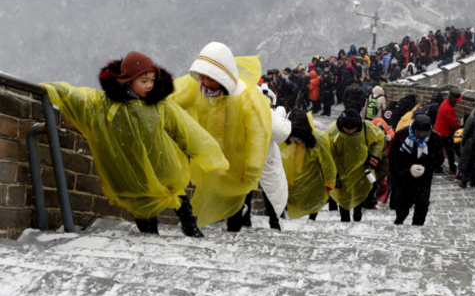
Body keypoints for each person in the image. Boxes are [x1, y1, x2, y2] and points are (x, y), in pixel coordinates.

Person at [41, 51, 229, 237]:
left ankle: (189, 225)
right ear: (128, 80)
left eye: (152, 80)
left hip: (161, 162)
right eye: (144, 81)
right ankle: (149, 233)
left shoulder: (158, 105)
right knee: (140, 202)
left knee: (177, 195)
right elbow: (78, 97)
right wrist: (50, 90)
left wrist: (210, 155)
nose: (149, 85)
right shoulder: (106, 104)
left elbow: (185, 129)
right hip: (132, 168)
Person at [169, 42, 272, 232]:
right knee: (214, 193)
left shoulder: (245, 97)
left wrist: (251, 169)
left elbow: (257, 134)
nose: (206, 83)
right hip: (211, 159)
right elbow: (171, 96)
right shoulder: (197, 88)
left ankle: (233, 233)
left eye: (211, 79)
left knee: (234, 200)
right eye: (203, 77)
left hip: (237, 161)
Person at [327, 110, 386, 222]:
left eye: (352, 129)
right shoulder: (333, 131)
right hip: (342, 169)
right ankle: (345, 220)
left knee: (360, 194)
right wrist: (334, 175)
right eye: (347, 129)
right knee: (343, 197)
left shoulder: (366, 127)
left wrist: (374, 157)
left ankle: (357, 216)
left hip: (361, 169)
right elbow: (329, 154)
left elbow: (379, 138)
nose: (349, 132)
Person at [280, 109, 337, 220]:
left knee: (313, 198)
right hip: (291, 182)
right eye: (294, 137)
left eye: (299, 138)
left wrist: (330, 181)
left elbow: (327, 162)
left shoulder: (319, 139)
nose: (296, 141)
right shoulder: (282, 138)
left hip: (312, 179)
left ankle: (311, 219)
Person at [390, 114, 442, 225]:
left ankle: (417, 227)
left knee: (422, 204)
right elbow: (394, 159)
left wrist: (426, 168)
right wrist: (409, 168)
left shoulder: (435, 138)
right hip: (404, 178)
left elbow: (438, 159)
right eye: (420, 134)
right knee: (402, 205)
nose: (422, 137)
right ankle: (399, 223)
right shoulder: (401, 136)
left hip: (424, 178)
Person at [259, 103, 292, 230]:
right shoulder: (264, 111)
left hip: (240, 153)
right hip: (264, 154)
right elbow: (281, 132)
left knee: (244, 187)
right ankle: (274, 220)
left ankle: (236, 220)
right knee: (272, 187)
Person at [433, 87, 462, 174]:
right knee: (450, 151)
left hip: (439, 131)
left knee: (438, 151)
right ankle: (452, 168)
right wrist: (460, 127)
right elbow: (452, 123)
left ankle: (437, 167)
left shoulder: (446, 102)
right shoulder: (448, 108)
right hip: (444, 133)